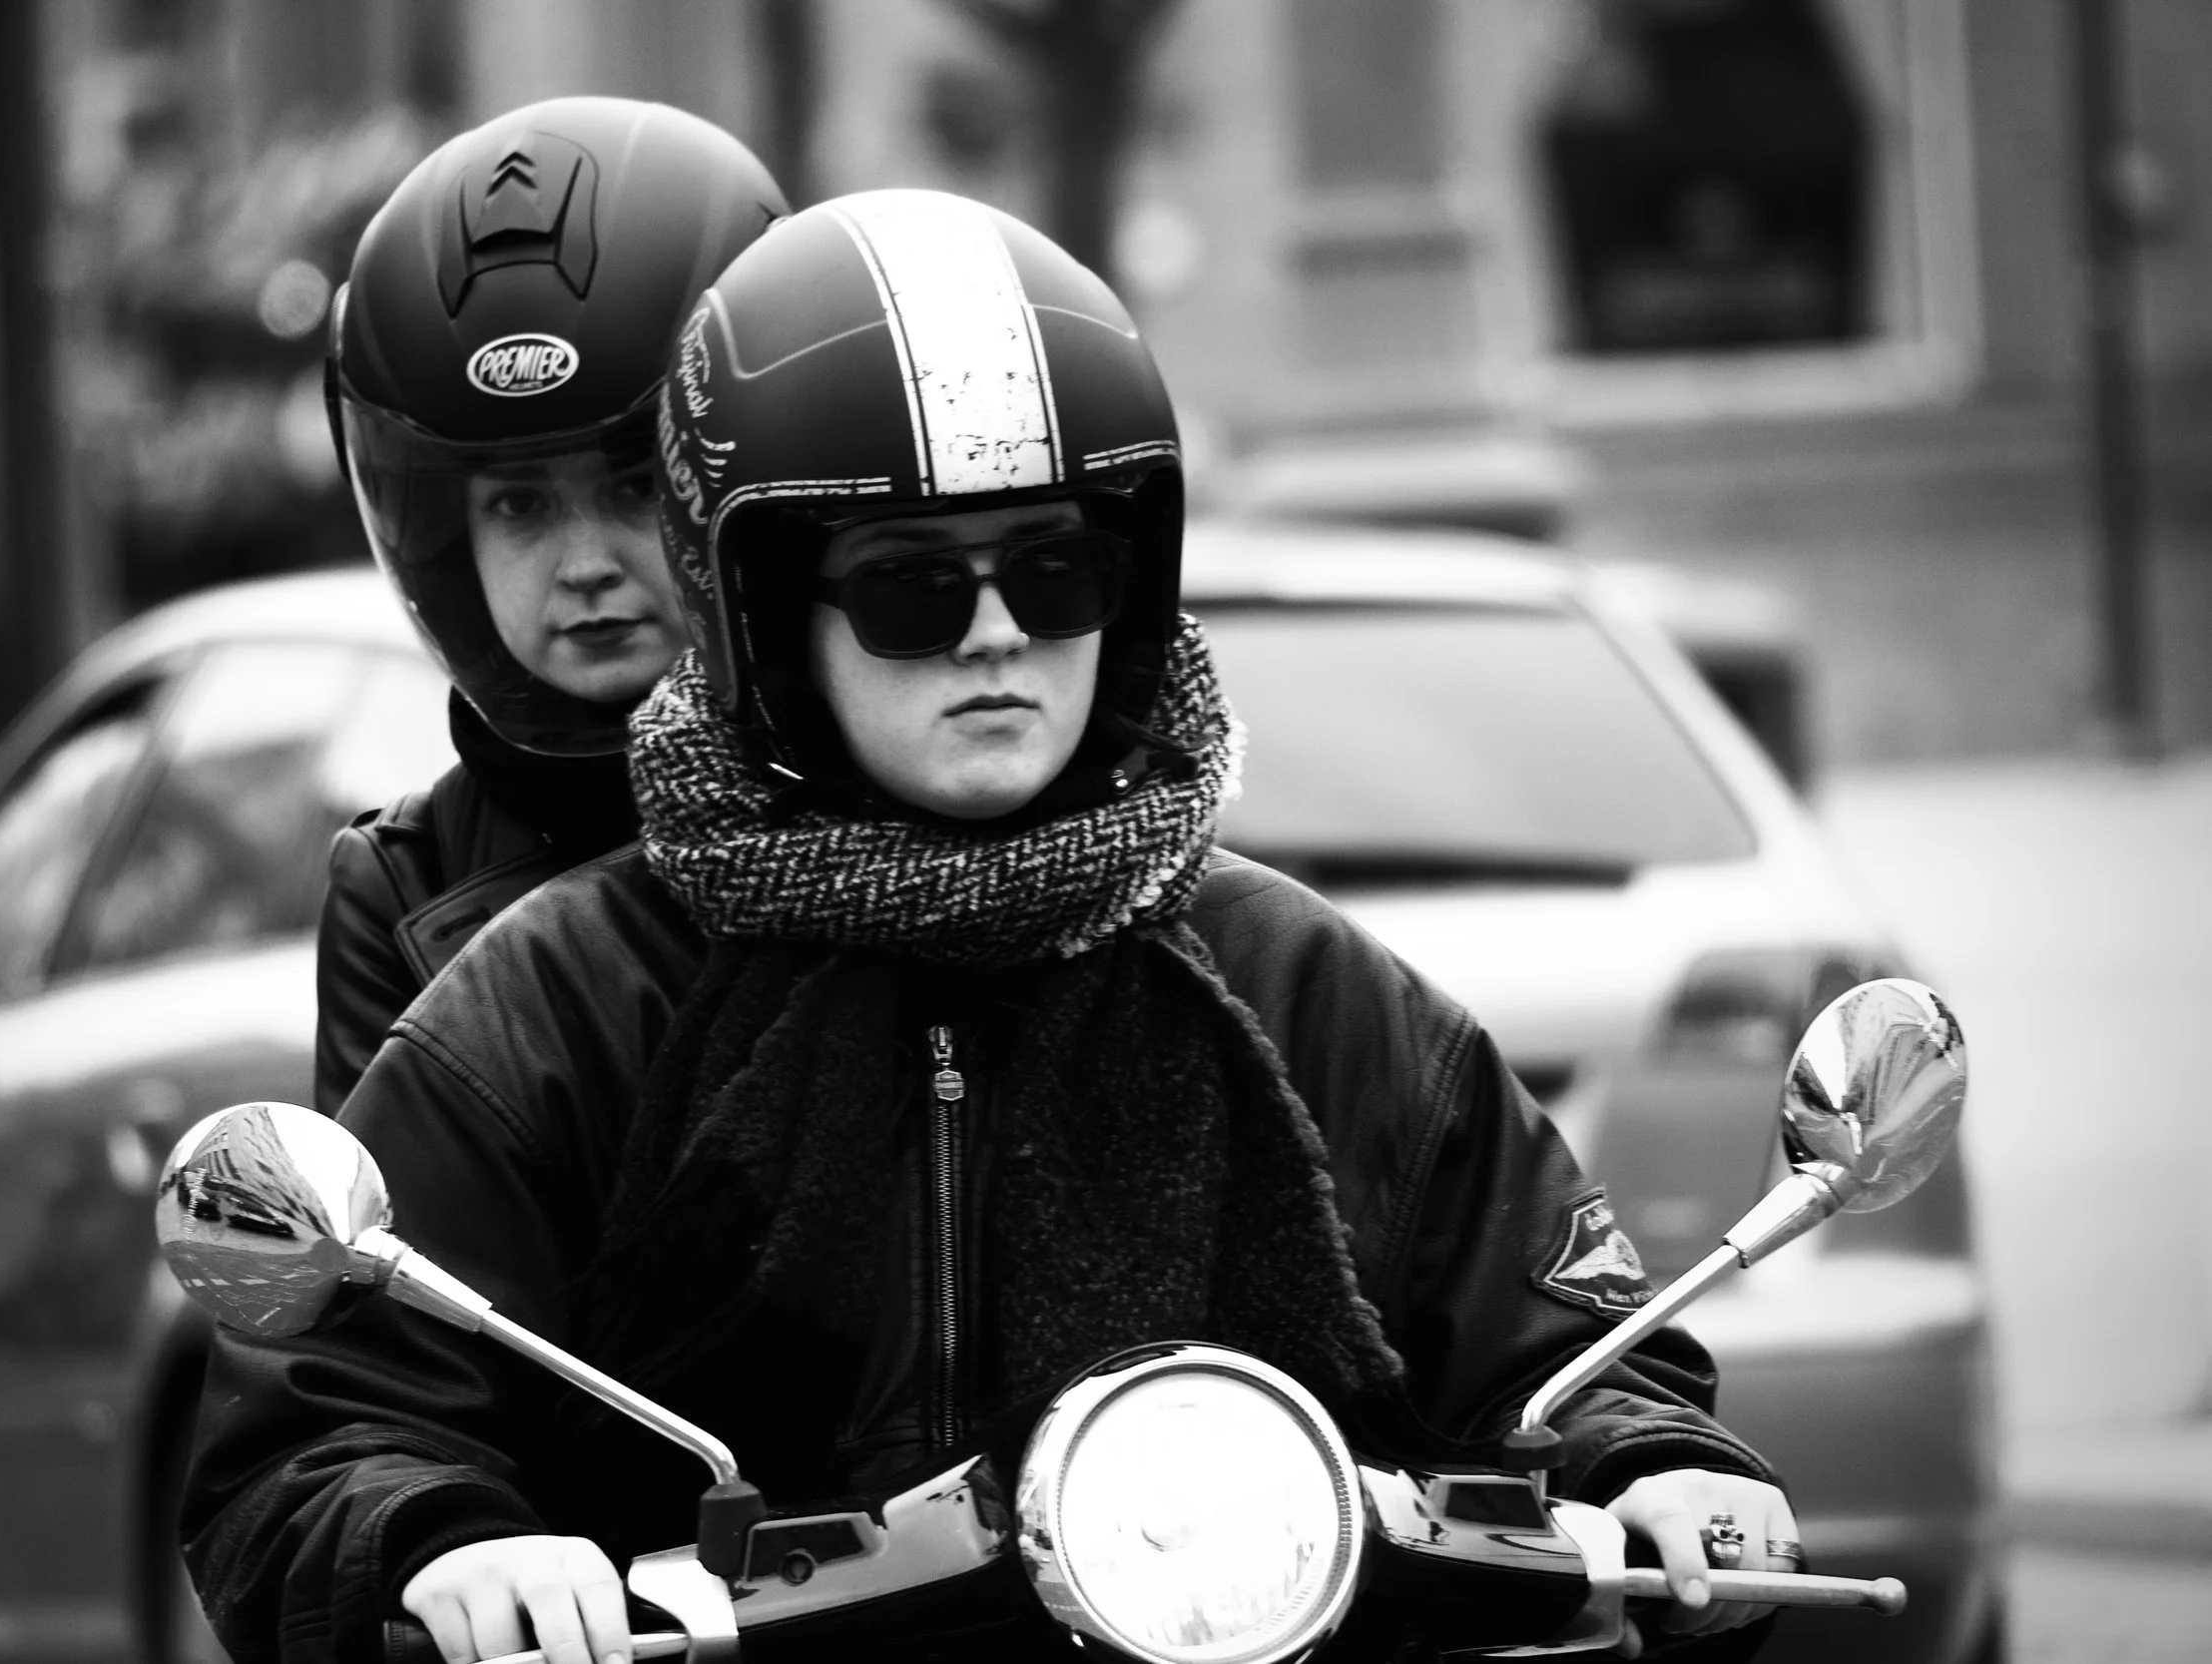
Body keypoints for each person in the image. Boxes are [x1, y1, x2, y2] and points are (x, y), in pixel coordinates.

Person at [186, 191, 1795, 1664]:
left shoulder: (1301, 983)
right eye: (909, 588)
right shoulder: (563, 999)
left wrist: (1647, 1460)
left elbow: (1563, 1346)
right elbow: (324, 1415)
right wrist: (444, 1541)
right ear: (762, 618)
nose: (998, 634)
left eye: (1056, 569)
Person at [313, 96, 786, 1115]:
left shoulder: (878, 797)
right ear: (448, 545)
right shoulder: (402, 885)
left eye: (634, 487)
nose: (582, 565)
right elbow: (386, 1256)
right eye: (520, 504)